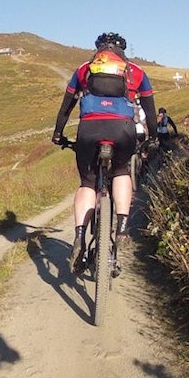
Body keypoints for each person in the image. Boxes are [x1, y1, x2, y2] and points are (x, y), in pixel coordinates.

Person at [51, 32, 156, 273]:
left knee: (87, 182)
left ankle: (78, 235)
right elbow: (150, 111)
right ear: (123, 51)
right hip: (123, 130)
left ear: (98, 49)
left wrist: (58, 134)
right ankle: (121, 227)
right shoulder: (135, 71)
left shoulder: (84, 69)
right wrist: (152, 138)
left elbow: (65, 107)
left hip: (89, 130)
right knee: (120, 171)